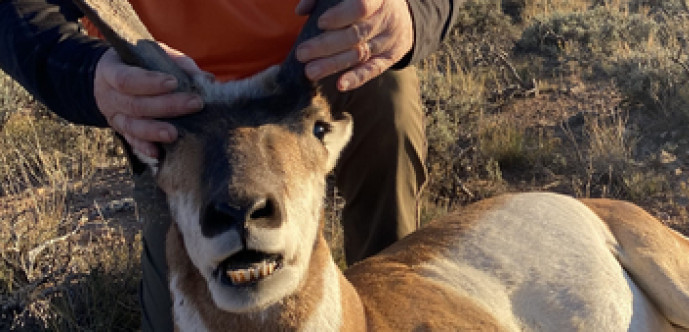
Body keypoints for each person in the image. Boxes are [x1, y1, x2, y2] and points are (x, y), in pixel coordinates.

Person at [0, 0, 459, 330]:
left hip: (310, 81)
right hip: (177, 111)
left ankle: (390, 296)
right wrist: (89, 74)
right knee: (175, 316)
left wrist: (413, 15)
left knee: (389, 98)